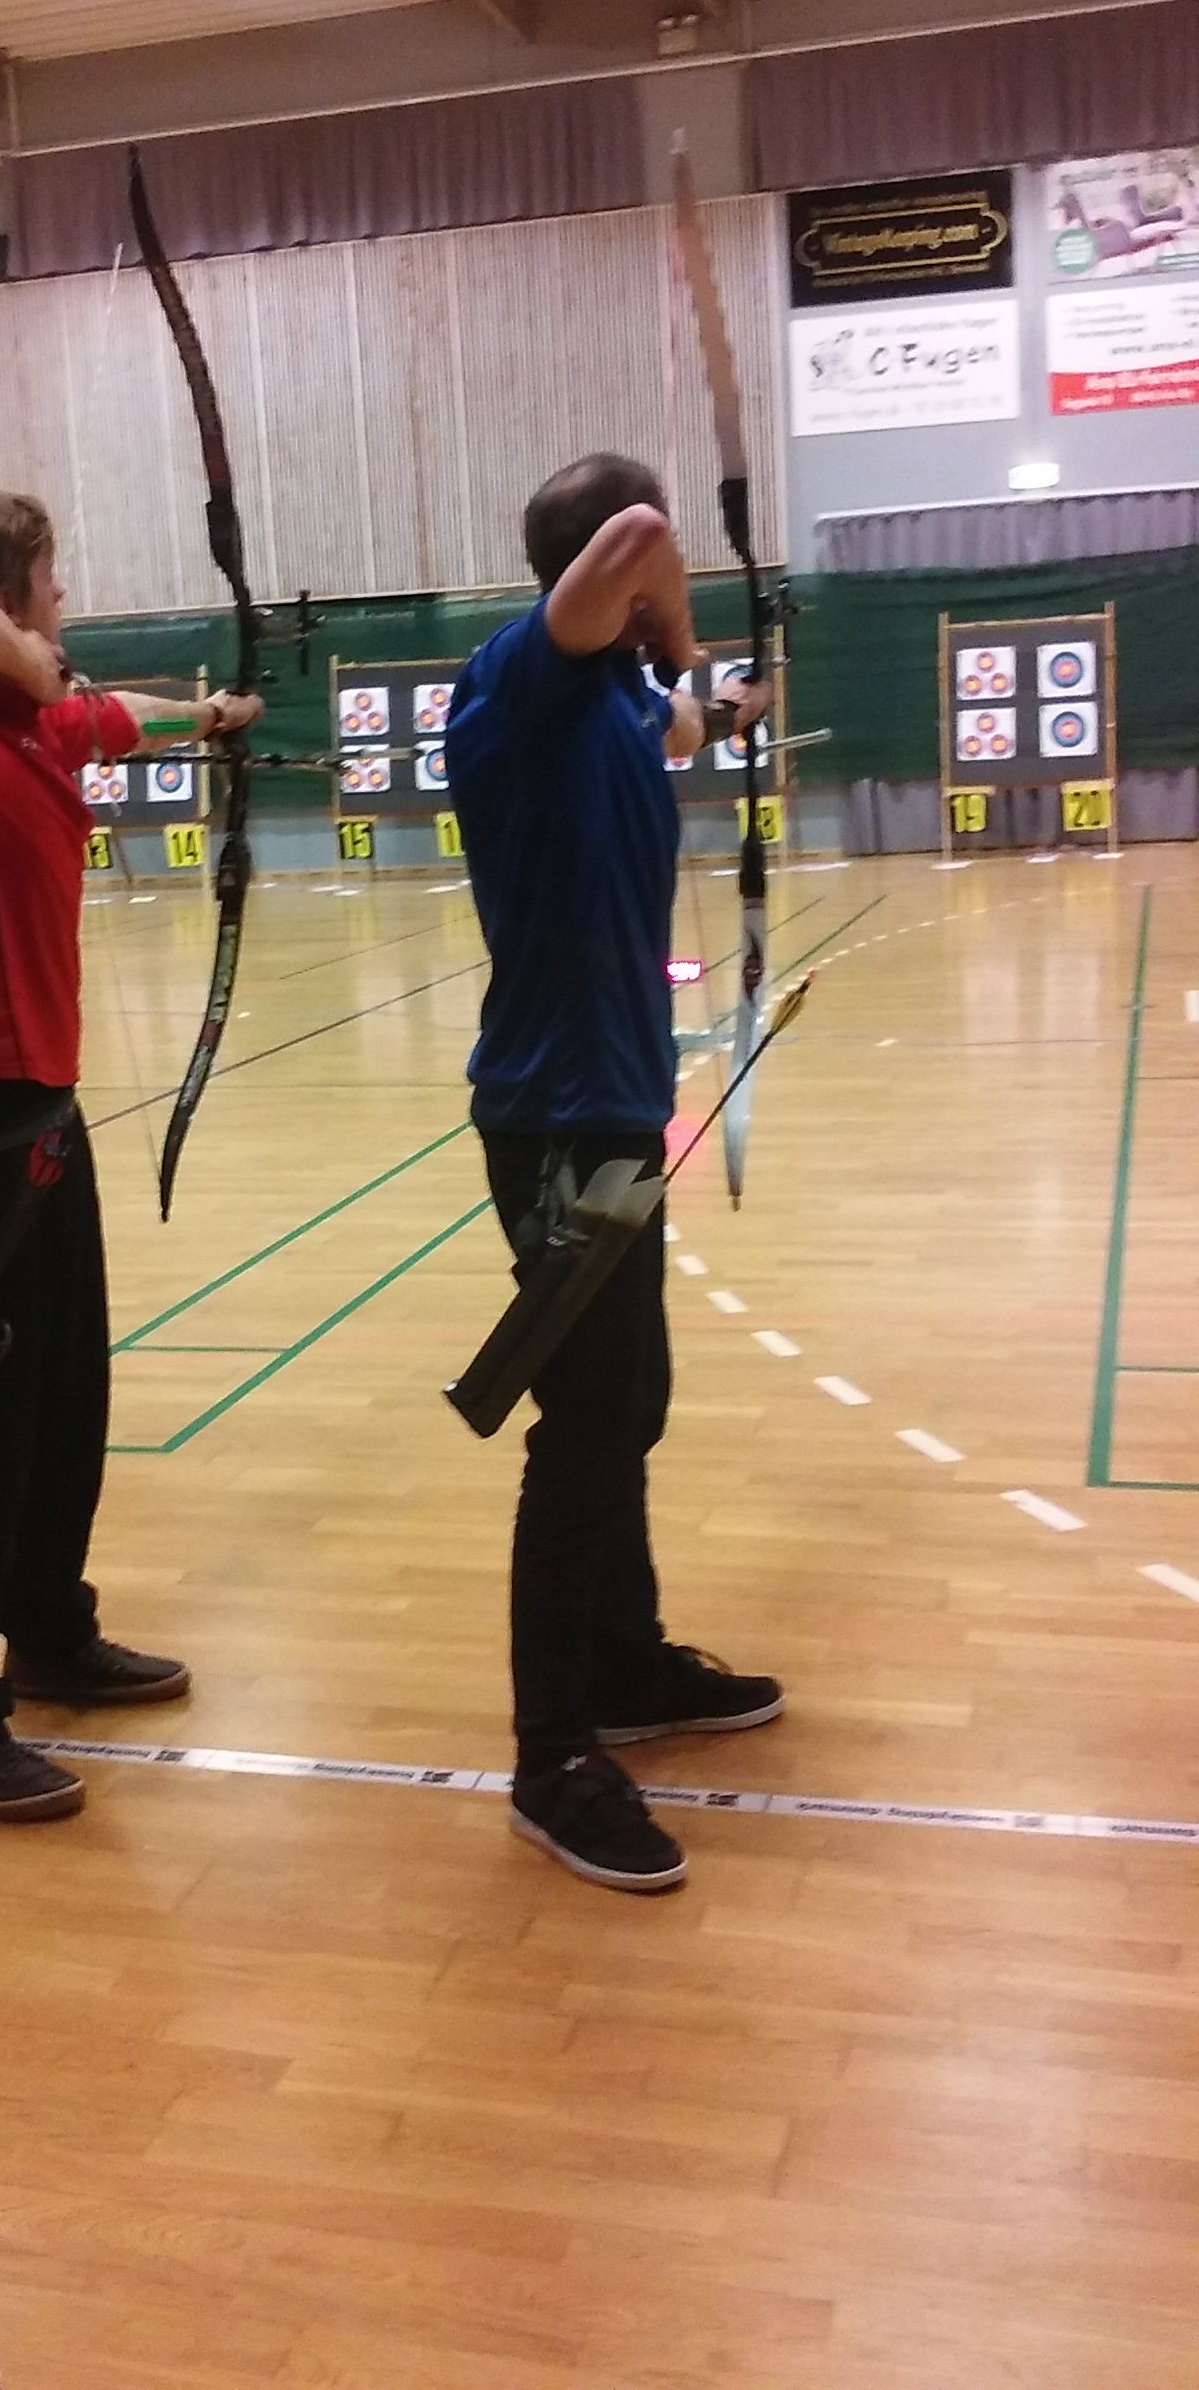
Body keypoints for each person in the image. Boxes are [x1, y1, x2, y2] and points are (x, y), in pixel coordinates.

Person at [0, 487, 261, 1822]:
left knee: (66, 1391)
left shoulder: (31, 731)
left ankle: (50, 1631)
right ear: (3, 595)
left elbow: (111, 716)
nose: (62, 600)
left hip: (38, 1112)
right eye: (46, 578)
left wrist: (209, 717)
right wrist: (23, 654)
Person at [446, 454, 785, 1895]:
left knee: (626, 1399)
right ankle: (553, 1755)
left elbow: (686, 723)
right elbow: (642, 529)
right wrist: (686, 636)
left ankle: (623, 1659)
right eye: (648, 577)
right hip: (555, 1121)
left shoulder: (617, 703)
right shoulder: (516, 681)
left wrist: (724, 698)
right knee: (587, 1422)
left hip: (618, 1109)